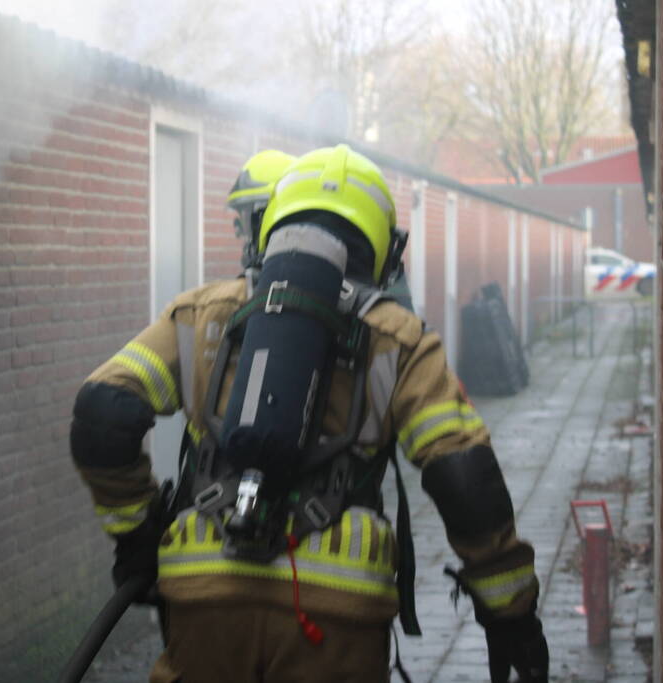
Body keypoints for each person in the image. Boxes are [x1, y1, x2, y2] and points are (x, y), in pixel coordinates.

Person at [69, 144, 549, 682]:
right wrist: (511, 611)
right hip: (338, 604)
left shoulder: (199, 313)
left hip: (205, 589)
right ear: (381, 247)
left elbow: (102, 414)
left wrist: (137, 533)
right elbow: (465, 480)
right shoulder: (401, 341)